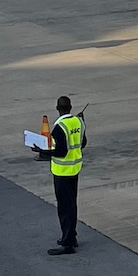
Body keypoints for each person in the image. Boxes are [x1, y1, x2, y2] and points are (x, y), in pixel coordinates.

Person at [46, 95, 86, 256]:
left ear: (57, 108)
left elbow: (60, 152)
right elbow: (83, 143)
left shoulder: (59, 127)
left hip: (62, 172)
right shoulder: (78, 122)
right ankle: (71, 237)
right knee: (72, 205)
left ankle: (68, 242)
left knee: (65, 208)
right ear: (70, 107)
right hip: (75, 169)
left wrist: (41, 151)